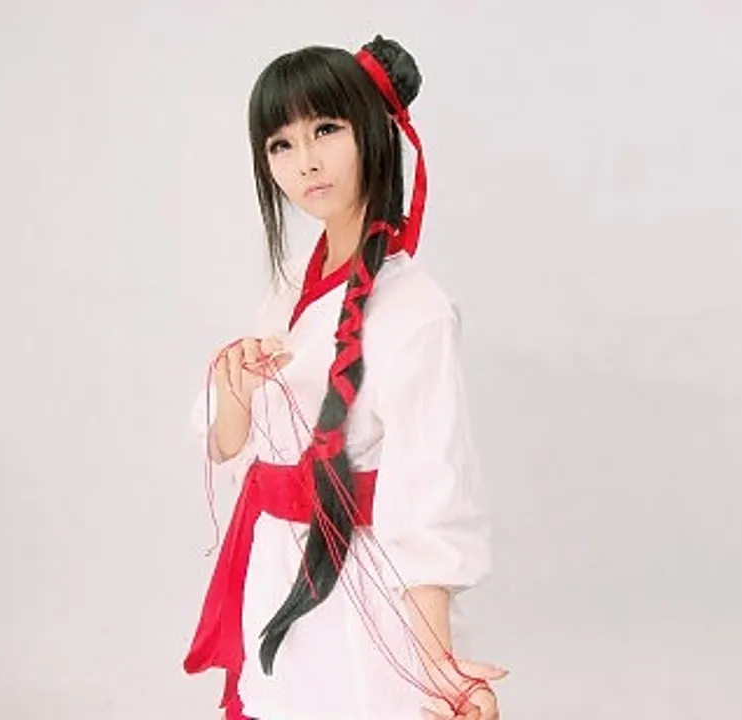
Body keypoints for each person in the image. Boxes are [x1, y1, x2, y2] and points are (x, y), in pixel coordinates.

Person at [182, 35, 506, 720]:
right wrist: (235, 387)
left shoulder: (415, 310)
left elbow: (428, 490)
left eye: (326, 129)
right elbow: (229, 445)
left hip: (361, 587)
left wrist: (436, 664)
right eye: (281, 144)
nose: (305, 160)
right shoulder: (289, 288)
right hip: (276, 572)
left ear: (373, 132)